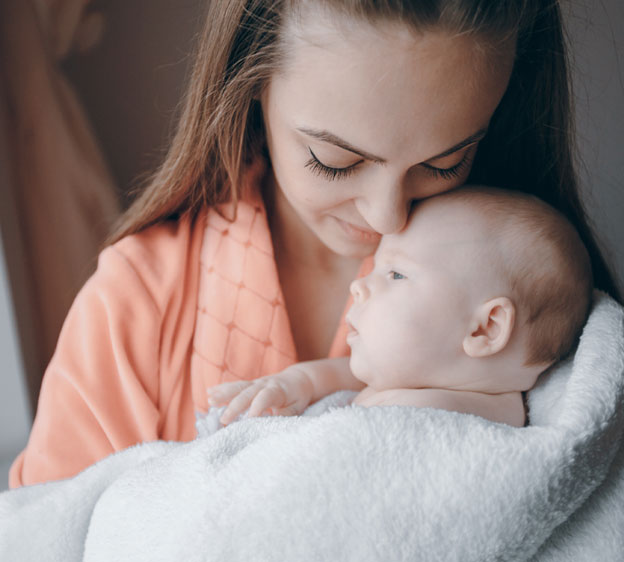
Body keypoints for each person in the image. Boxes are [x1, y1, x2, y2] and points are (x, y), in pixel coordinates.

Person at [9, 0, 620, 487]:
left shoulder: (548, 307)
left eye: (446, 160)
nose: (386, 216)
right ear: (250, 85)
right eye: (334, 160)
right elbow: (54, 529)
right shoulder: (135, 303)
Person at [208, 186, 593, 428]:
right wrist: (298, 382)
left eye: (395, 275)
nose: (359, 286)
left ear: (485, 329)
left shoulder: (471, 424)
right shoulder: (412, 379)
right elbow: (343, 376)